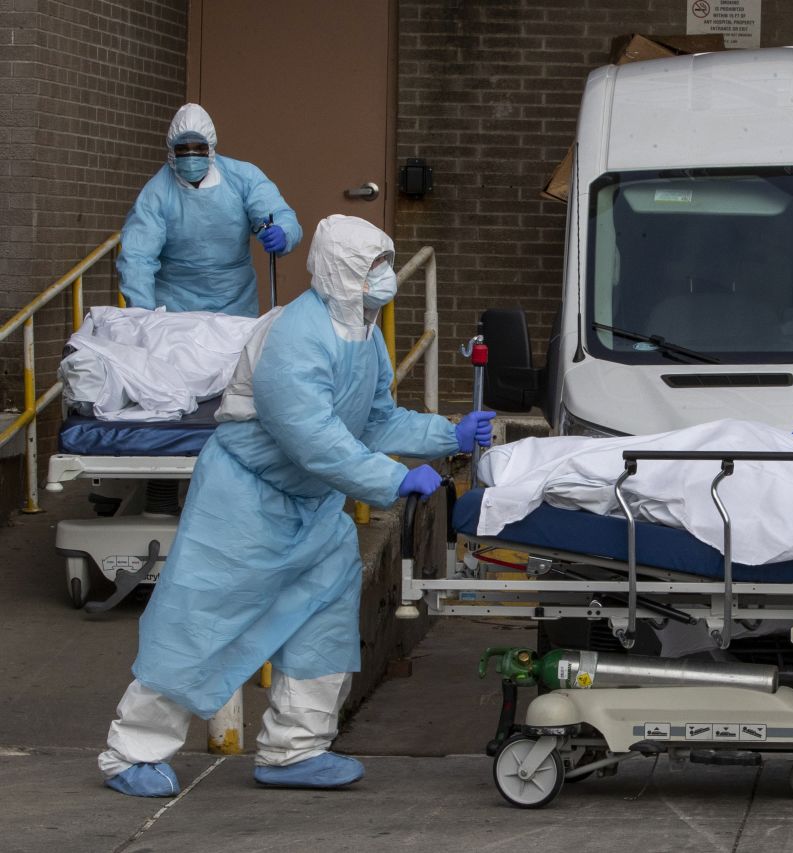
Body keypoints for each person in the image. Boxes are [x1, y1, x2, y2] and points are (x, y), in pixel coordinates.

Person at [98, 214, 497, 796]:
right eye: (374, 267)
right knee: (200, 623)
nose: (385, 278)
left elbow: (375, 418)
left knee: (324, 625)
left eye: (386, 264)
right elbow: (311, 437)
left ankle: (296, 749)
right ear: (343, 270)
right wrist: (391, 480)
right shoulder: (293, 335)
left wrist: (447, 435)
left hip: (312, 508)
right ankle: (130, 753)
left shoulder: (364, 332)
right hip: (245, 502)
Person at [117, 103, 303, 317]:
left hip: (235, 303)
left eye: (198, 148)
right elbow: (137, 257)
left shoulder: (243, 178)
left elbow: (279, 213)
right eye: (183, 149)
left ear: (211, 147)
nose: (191, 155)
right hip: (175, 308)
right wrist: (142, 314)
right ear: (171, 151)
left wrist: (283, 232)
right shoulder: (157, 193)